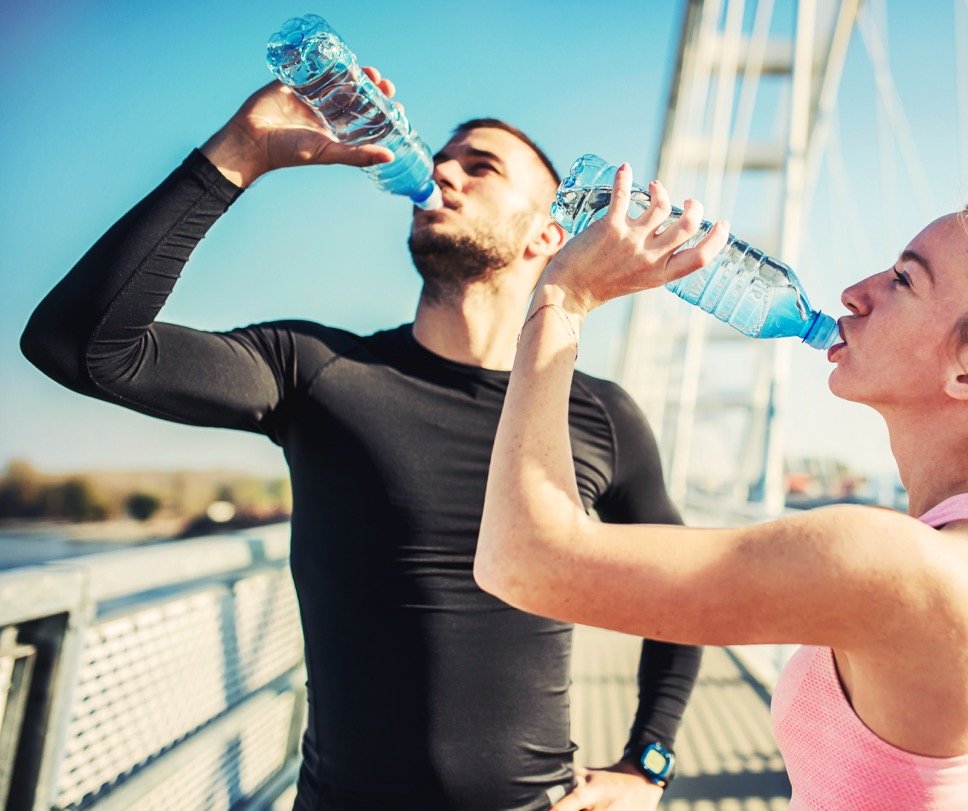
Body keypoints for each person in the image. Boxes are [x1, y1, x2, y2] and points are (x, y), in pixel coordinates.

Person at [475, 166, 968, 809]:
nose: (855, 290)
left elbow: (523, 559)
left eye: (904, 279)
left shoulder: (894, 564)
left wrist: (564, 296)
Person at [21, 75, 702, 810]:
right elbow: (78, 344)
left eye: (482, 166)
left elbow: (685, 590)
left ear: (548, 234)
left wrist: (648, 762)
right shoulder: (317, 369)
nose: (443, 171)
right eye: (443, 158)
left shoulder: (600, 413)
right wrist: (239, 152)